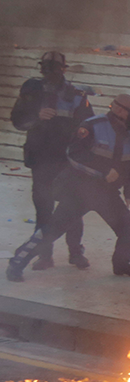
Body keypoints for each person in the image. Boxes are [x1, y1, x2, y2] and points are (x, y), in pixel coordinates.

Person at [6, 94, 130, 282]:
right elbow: (74, 155)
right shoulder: (93, 126)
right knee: (52, 231)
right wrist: (103, 172)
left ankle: (121, 265)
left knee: (128, 231)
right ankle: (16, 263)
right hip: (80, 191)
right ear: (119, 109)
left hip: (107, 193)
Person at [9, 51, 94, 271]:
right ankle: (44, 256)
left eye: (54, 69)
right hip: (40, 160)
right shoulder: (31, 90)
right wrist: (37, 116)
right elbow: (17, 120)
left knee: (72, 208)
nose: (49, 74)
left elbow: (88, 127)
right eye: (46, 69)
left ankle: (76, 252)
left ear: (63, 70)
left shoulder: (77, 95)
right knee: (43, 209)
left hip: (67, 161)